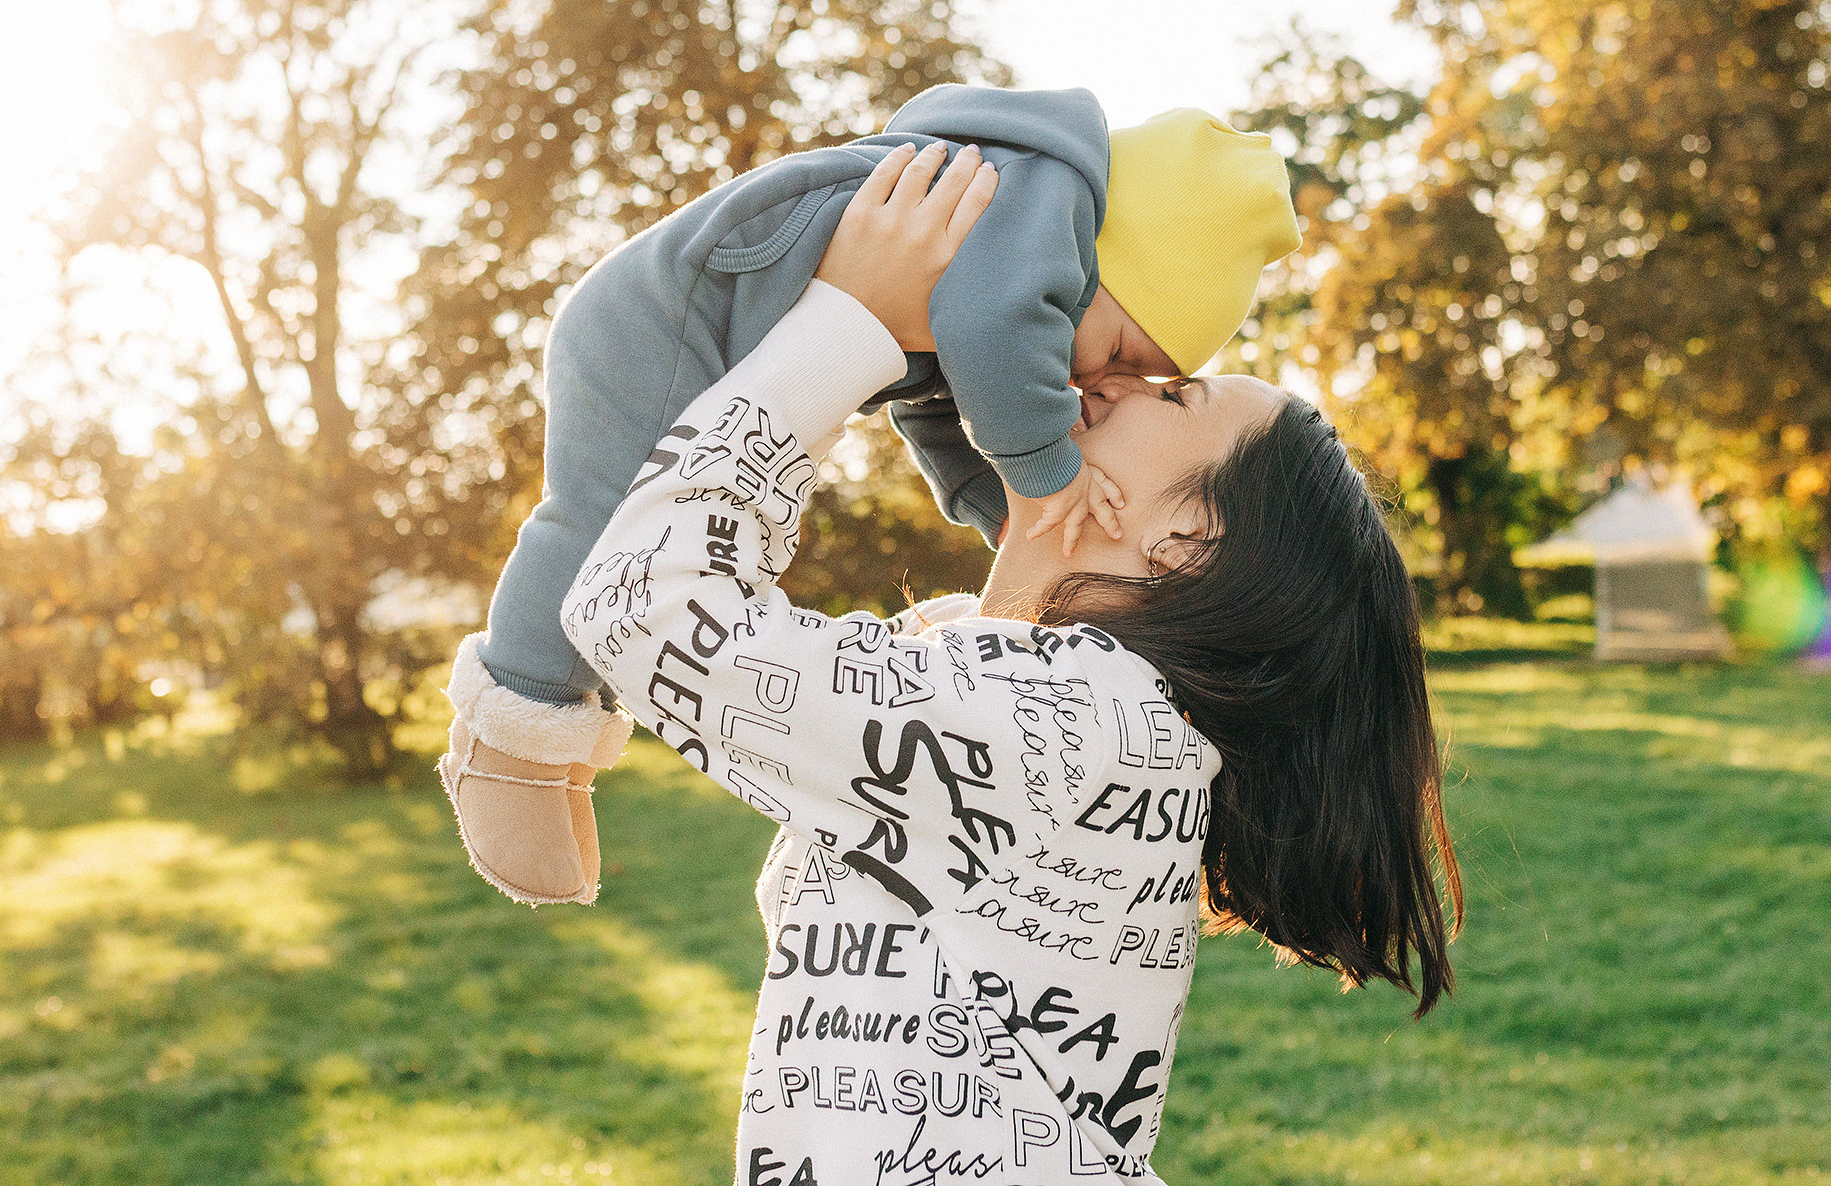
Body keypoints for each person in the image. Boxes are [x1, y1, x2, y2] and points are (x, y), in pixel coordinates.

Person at [449, 144, 1461, 1182]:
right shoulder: (1084, 719)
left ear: (1186, 543)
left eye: (1173, 398)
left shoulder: (1069, 727)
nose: (1102, 385)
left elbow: (642, 604)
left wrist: (849, 324)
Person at [442, 86, 1302, 906]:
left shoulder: (999, 284)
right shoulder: (1034, 218)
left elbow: (944, 417)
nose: (1090, 384)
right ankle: (511, 739)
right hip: (668, 320)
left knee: (611, 528)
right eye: (1115, 347)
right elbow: (989, 354)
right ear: (1100, 257)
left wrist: (1007, 506)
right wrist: (1048, 469)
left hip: (703, 334)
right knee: (593, 520)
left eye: (1139, 378)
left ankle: (545, 749)